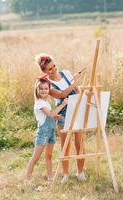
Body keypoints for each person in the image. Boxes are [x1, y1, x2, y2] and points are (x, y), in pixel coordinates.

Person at [35, 53, 86, 183]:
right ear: (45, 72)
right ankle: (66, 174)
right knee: (66, 145)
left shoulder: (67, 73)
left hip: (76, 110)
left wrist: (81, 94)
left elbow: (77, 91)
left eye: (54, 66)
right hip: (63, 114)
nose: (53, 70)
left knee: (79, 143)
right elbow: (62, 94)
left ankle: (80, 173)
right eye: (49, 69)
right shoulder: (48, 84)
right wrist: (74, 84)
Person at [26, 78, 68, 181]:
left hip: (51, 133)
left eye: (46, 88)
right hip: (43, 134)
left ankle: (50, 176)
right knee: (36, 157)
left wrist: (56, 117)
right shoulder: (39, 103)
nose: (44, 90)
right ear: (37, 90)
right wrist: (63, 104)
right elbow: (50, 114)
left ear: (49, 90)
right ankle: (27, 178)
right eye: (41, 89)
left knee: (49, 155)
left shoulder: (46, 103)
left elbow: (50, 116)